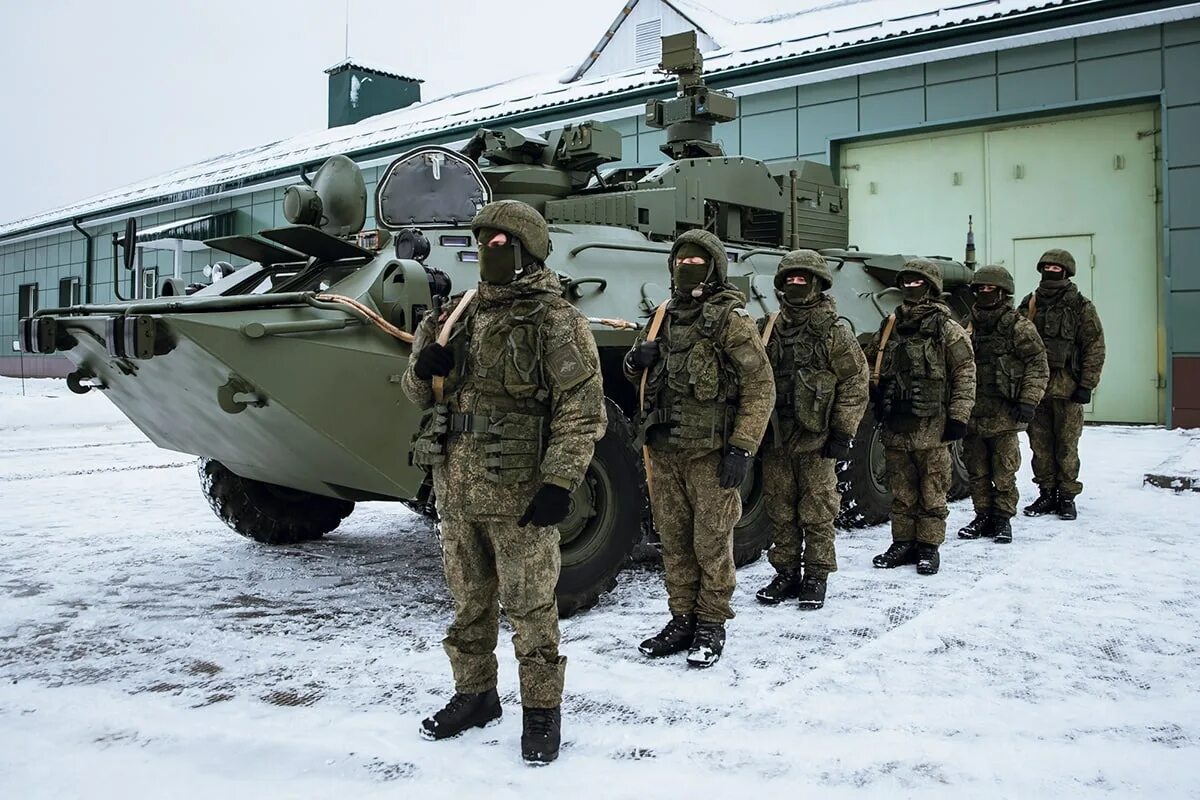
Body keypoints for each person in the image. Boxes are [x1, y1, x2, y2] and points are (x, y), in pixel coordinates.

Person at [402, 199, 606, 765]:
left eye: (499, 245)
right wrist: (423, 371)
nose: (487, 254)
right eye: (482, 243)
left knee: (532, 607)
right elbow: (414, 393)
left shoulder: (555, 320)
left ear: (526, 251)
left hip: (518, 492)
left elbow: (582, 411)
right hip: (456, 489)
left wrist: (560, 482)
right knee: (468, 604)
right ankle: (475, 694)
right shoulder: (456, 314)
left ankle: (541, 712)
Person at [624, 229, 774, 668]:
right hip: (665, 451)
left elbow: (759, 386)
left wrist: (742, 449)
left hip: (711, 453)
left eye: (696, 262)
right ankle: (681, 617)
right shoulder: (662, 316)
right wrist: (637, 362)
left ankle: (711, 622)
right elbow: (640, 377)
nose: (686, 268)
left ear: (714, 268)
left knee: (711, 541)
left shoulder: (732, 320)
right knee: (674, 542)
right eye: (680, 261)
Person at [754, 249, 868, 609]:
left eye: (803, 279)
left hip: (818, 439)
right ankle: (786, 573)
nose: (796, 284)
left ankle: (816, 576)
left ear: (818, 284)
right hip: (777, 437)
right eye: (789, 279)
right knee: (780, 509)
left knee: (818, 511)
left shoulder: (834, 332)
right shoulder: (768, 328)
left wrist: (842, 432)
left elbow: (855, 383)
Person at [865, 259, 975, 576]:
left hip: (933, 427)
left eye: (918, 282)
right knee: (901, 488)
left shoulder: (947, 328)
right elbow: (870, 360)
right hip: (896, 424)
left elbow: (965, 373)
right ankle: (903, 542)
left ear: (931, 287)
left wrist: (959, 416)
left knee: (932, 489)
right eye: (907, 283)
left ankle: (928, 546)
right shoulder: (890, 325)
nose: (911, 288)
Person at [957, 266, 1048, 544]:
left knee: (1004, 470)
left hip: (1004, 413)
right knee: (976, 470)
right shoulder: (967, 324)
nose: (985, 293)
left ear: (1002, 292)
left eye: (990, 289)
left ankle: (1003, 518)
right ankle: (982, 514)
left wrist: (1028, 400)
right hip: (973, 412)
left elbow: (1037, 363)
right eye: (980, 289)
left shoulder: (1017, 326)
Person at [1018, 249, 1106, 520]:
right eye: (1046, 267)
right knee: (1040, 445)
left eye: (1056, 268)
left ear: (1067, 272)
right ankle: (1046, 493)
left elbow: (1094, 346)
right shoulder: (1030, 303)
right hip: (1036, 389)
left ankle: (1067, 496)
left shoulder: (1081, 306)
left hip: (1068, 390)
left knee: (1067, 446)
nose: (1050, 271)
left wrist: (1086, 385)